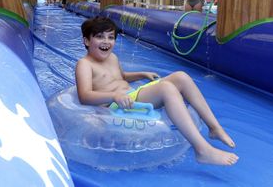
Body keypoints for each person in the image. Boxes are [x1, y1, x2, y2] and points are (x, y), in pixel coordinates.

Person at [75, 17, 238, 166]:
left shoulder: (113, 58)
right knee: (166, 88)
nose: (106, 42)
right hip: (117, 105)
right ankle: (202, 150)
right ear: (86, 41)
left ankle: (214, 127)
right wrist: (114, 96)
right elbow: (84, 96)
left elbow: (121, 77)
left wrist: (142, 74)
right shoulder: (85, 64)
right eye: (99, 36)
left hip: (132, 94)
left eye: (111, 37)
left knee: (181, 77)